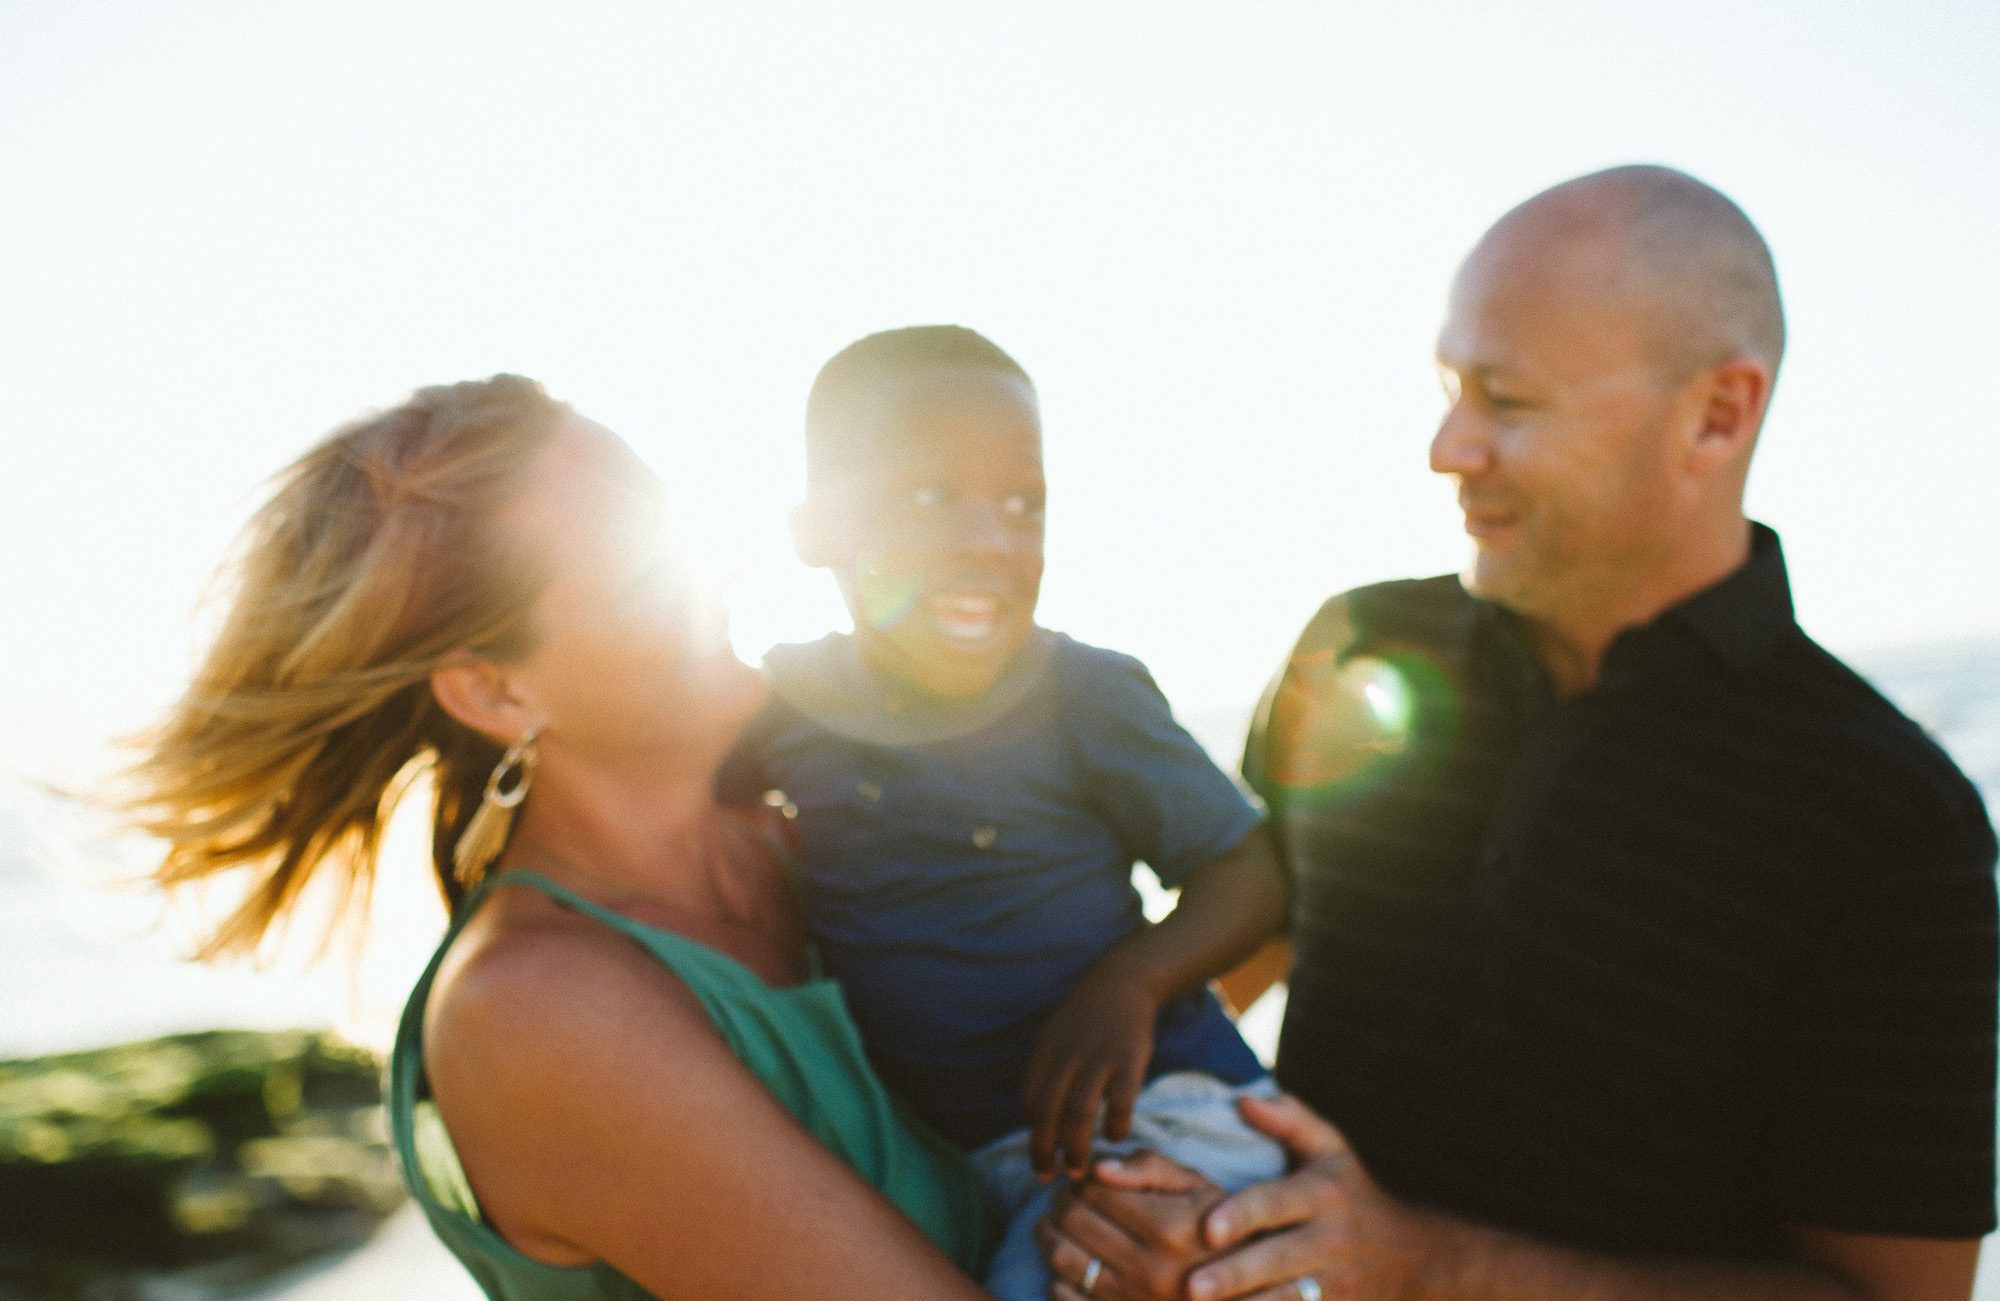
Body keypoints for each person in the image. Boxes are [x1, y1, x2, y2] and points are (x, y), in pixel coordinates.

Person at [1040, 165, 1999, 1301]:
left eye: (1506, 400)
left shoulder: (1891, 820)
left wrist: (1423, 1267)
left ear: (1715, 413)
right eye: (1447, 388)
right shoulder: (1356, 644)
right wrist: (1146, 1193)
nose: (1447, 447)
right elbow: (1232, 968)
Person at [121, 375, 1004, 1298]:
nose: (709, 576)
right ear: (496, 694)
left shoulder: (813, 837)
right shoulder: (536, 1013)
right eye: (640, 572)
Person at [720, 325, 1291, 1299]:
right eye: (930, 495)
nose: (989, 538)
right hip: (979, 1161)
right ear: (813, 531)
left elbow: (1251, 872)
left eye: (1023, 504)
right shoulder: (781, 701)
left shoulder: (1081, 694)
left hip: (1153, 1119)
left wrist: (1130, 980)